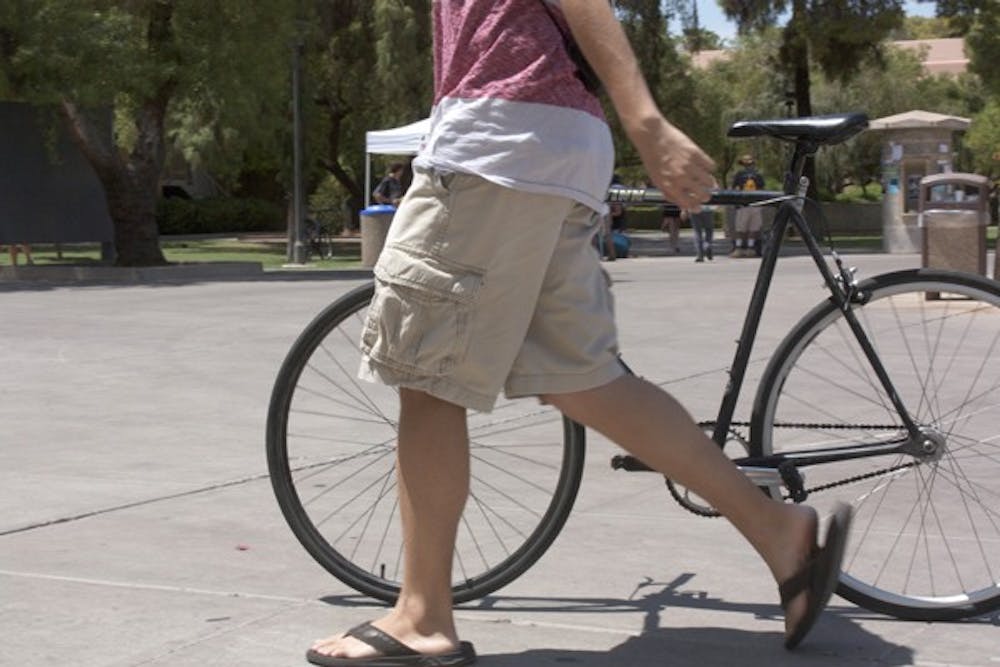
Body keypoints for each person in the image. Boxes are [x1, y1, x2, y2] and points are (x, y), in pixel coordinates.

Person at [306, 2, 851, 665]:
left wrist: (646, 120)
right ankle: (778, 530)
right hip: (550, 146)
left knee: (426, 381)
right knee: (586, 381)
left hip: (498, 146)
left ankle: (422, 615)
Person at [730, 154, 765, 258]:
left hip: (750, 204)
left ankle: (747, 248)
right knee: (743, 228)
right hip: (747, 204)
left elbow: (734, 189)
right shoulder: (742, 175)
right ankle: (742, 248)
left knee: (749, 228)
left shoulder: (756, 175)